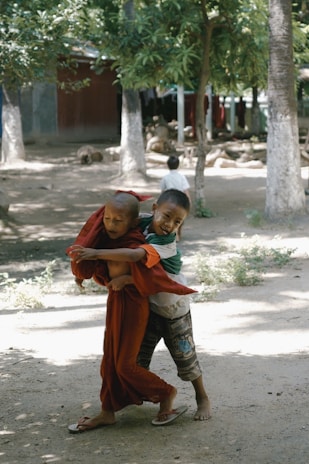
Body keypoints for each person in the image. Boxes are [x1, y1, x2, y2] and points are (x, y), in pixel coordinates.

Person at [73, 189, 211, 422]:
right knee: (135, 361)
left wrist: (106, 261)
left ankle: (201, 397)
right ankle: (128, 402)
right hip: (149, 304)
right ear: (154, 209)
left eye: (177, 222)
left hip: (171, 308)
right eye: (166, 216)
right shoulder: (142, 223)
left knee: (185, 358)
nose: (169, 224)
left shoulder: (165, 244)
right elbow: (119, 220)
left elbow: (136, 257)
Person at [160, 155, 191, 240]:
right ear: (178, 165)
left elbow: (163, 191)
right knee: (180, 219)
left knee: (169, 218)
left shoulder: (165, 178)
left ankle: (173, 234)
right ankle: (178, 234)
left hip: (169, 200)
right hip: (180, 200)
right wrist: (189, 201)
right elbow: (186, 190)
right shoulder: (181, 177)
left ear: (168, 165)